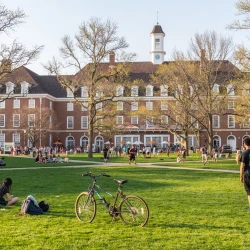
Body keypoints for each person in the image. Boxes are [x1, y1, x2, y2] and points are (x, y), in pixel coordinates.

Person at [240, 137, 250, 210]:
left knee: (249, 190)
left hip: (248, 173)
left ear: (245, 144)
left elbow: (242, 166)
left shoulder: (245, 153)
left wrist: (241, 176)